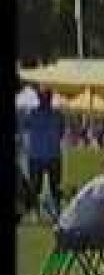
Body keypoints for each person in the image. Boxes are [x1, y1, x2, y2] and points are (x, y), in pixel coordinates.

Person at [20, 88, 66, 218]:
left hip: (46, 155)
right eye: (44, 97)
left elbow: (61, 132)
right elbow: (61, 133)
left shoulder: (37, 114)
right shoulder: (33, 113)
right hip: (42, 155)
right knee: (39, 188)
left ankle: (52, 212)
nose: (46, 100)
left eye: (48, 97)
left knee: (53, 186)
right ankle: (38, 214)